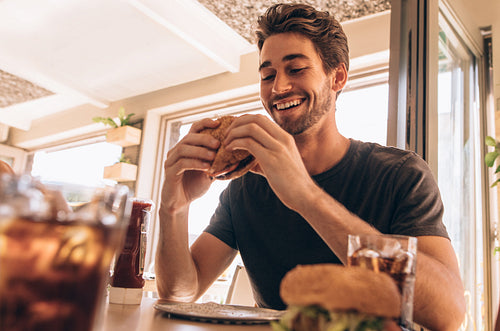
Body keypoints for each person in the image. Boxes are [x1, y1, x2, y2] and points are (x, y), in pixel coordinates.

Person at [155, 3, 465, 330]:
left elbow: (449, 314)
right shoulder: (243, 190)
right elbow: (179, 294)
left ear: (338, 77)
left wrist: (306, 196)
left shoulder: (399, 174)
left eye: (297, 68)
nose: (278, 87)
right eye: (267, 75)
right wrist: (173, 208)